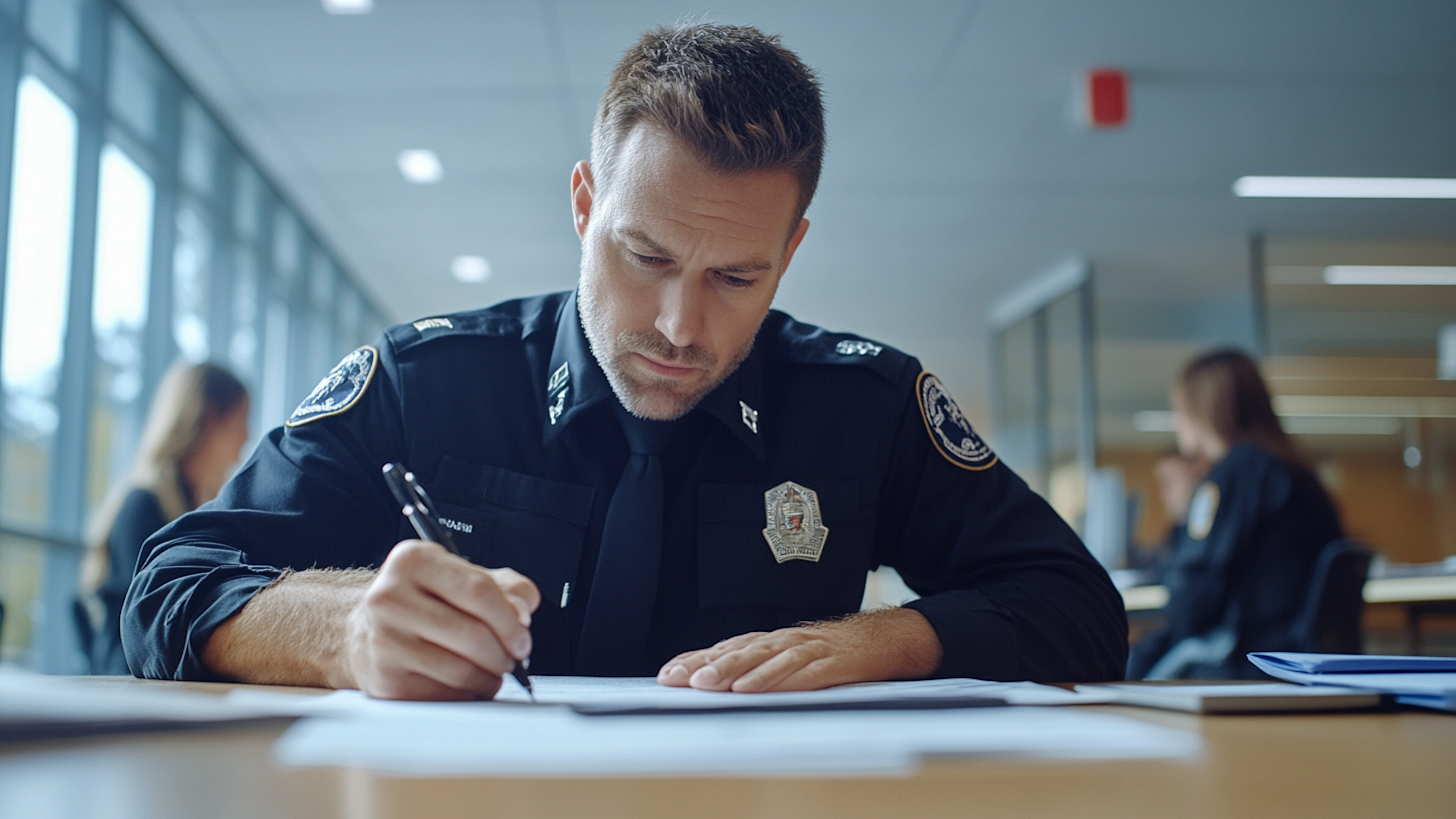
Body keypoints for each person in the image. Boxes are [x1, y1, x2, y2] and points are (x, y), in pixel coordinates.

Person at [124, 22, 1127, 700]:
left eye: (736, 277)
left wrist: (896, 640)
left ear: (791, 254)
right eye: (644, 258)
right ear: (581, 206)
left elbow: (1082, 612)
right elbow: (169, 584)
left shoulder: (862, 406)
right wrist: (341, 632)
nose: (681, 326)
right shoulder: (427, 384)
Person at [1126, 349, 1343, 680]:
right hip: (1291, 658)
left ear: (1203, 410)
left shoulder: (1235, 474)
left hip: (1251, 660)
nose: (1176, 421)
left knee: (1132, 672)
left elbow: (1194, 600)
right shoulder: (1296, 471)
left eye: (1180, 410)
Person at [78, 362, 250, 674]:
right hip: (135, 687)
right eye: (242, 421)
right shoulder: (143, 506)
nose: (247, 436)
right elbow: (150, 625)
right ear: (212, 418)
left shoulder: (192, 506)